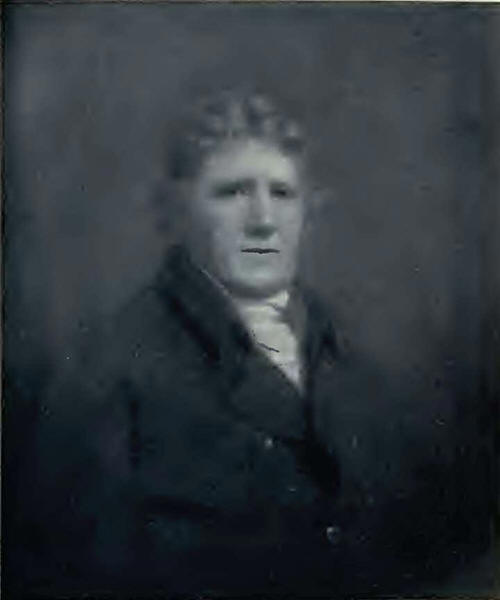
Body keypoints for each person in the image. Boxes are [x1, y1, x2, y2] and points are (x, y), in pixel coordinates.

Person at [10, 89, 468, 598]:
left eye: (282, 193)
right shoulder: (105, 379)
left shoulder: (359, 369)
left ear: (309, 213)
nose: (263, 220)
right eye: (231, 193)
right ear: (173, 213)